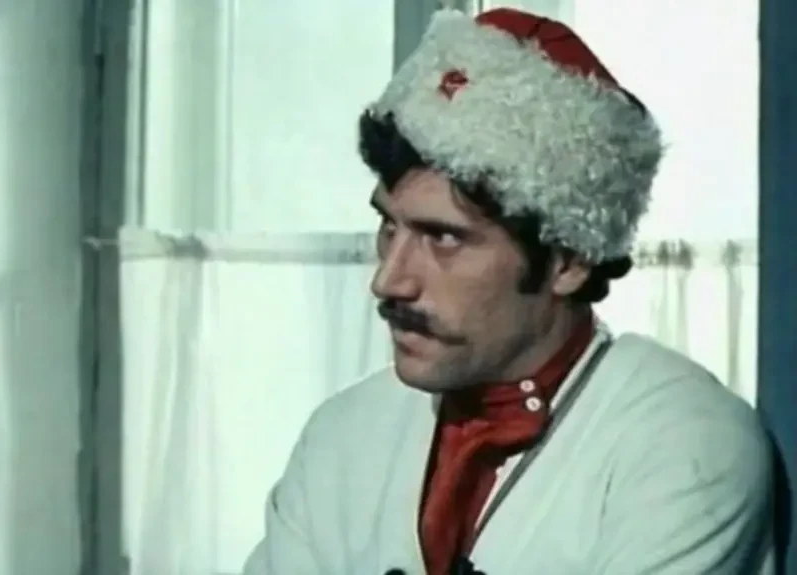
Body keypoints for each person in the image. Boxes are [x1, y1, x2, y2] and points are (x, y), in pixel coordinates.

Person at [243, 7, 774, 575]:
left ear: (568, 260)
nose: (388, 280)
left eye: (443, 238)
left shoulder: (682, 441)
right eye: (389, 227)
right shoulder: (341, 436)